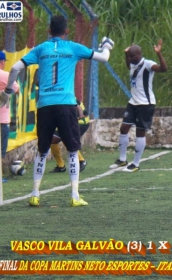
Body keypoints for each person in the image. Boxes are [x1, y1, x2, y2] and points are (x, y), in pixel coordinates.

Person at [0, 15, 114, 206]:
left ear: (48, 30)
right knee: (72, 150)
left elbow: (16, 68)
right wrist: (107, 45)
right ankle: (75, 196)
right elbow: (103, 58)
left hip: (45, 106)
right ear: (66, 31)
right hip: (66, 104)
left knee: (42, 151)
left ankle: (35, 194)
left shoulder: (41, 49)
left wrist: (8, 90)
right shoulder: (73, 47)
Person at [110, 39, 167, 172]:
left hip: (145, 104)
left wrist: (159, 53)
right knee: (124, 128)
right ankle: (123, 160)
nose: (129, 59)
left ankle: (135, 164)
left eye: (131, 56)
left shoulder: (148, 64)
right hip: (133, 102)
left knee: (140, 132)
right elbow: (129, 67)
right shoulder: (133, 64)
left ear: (139, 54)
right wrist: (126, 55)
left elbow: (163, 69)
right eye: (128, 56)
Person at [50, 99, 89, 173]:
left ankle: (81, 161)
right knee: (53, 139)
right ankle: (61, 166)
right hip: (69, 122)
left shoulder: (65, 95)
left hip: (81, 122)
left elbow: (77, 105)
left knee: (66, 138)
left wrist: (80, 114)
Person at [0, 51, 19, 183]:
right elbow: (16, 89)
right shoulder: (5, 75)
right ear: (2, 62)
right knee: (1, 151)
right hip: (1, 120)